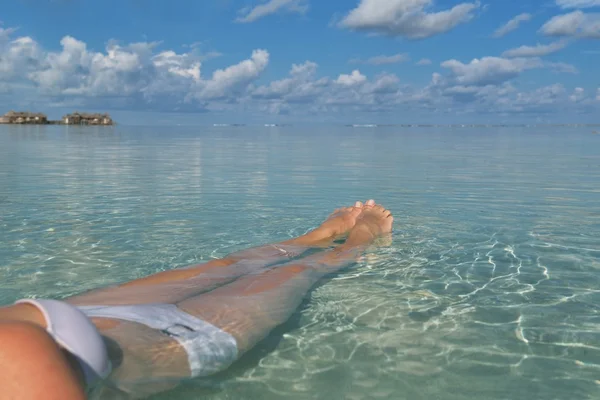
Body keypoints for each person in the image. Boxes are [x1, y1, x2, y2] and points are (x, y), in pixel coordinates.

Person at [0, 200, 393, 399]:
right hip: (136, 341)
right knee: (295, 273)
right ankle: (350, 246)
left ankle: (314, 238)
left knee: (228, 265)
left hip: (68, 320)